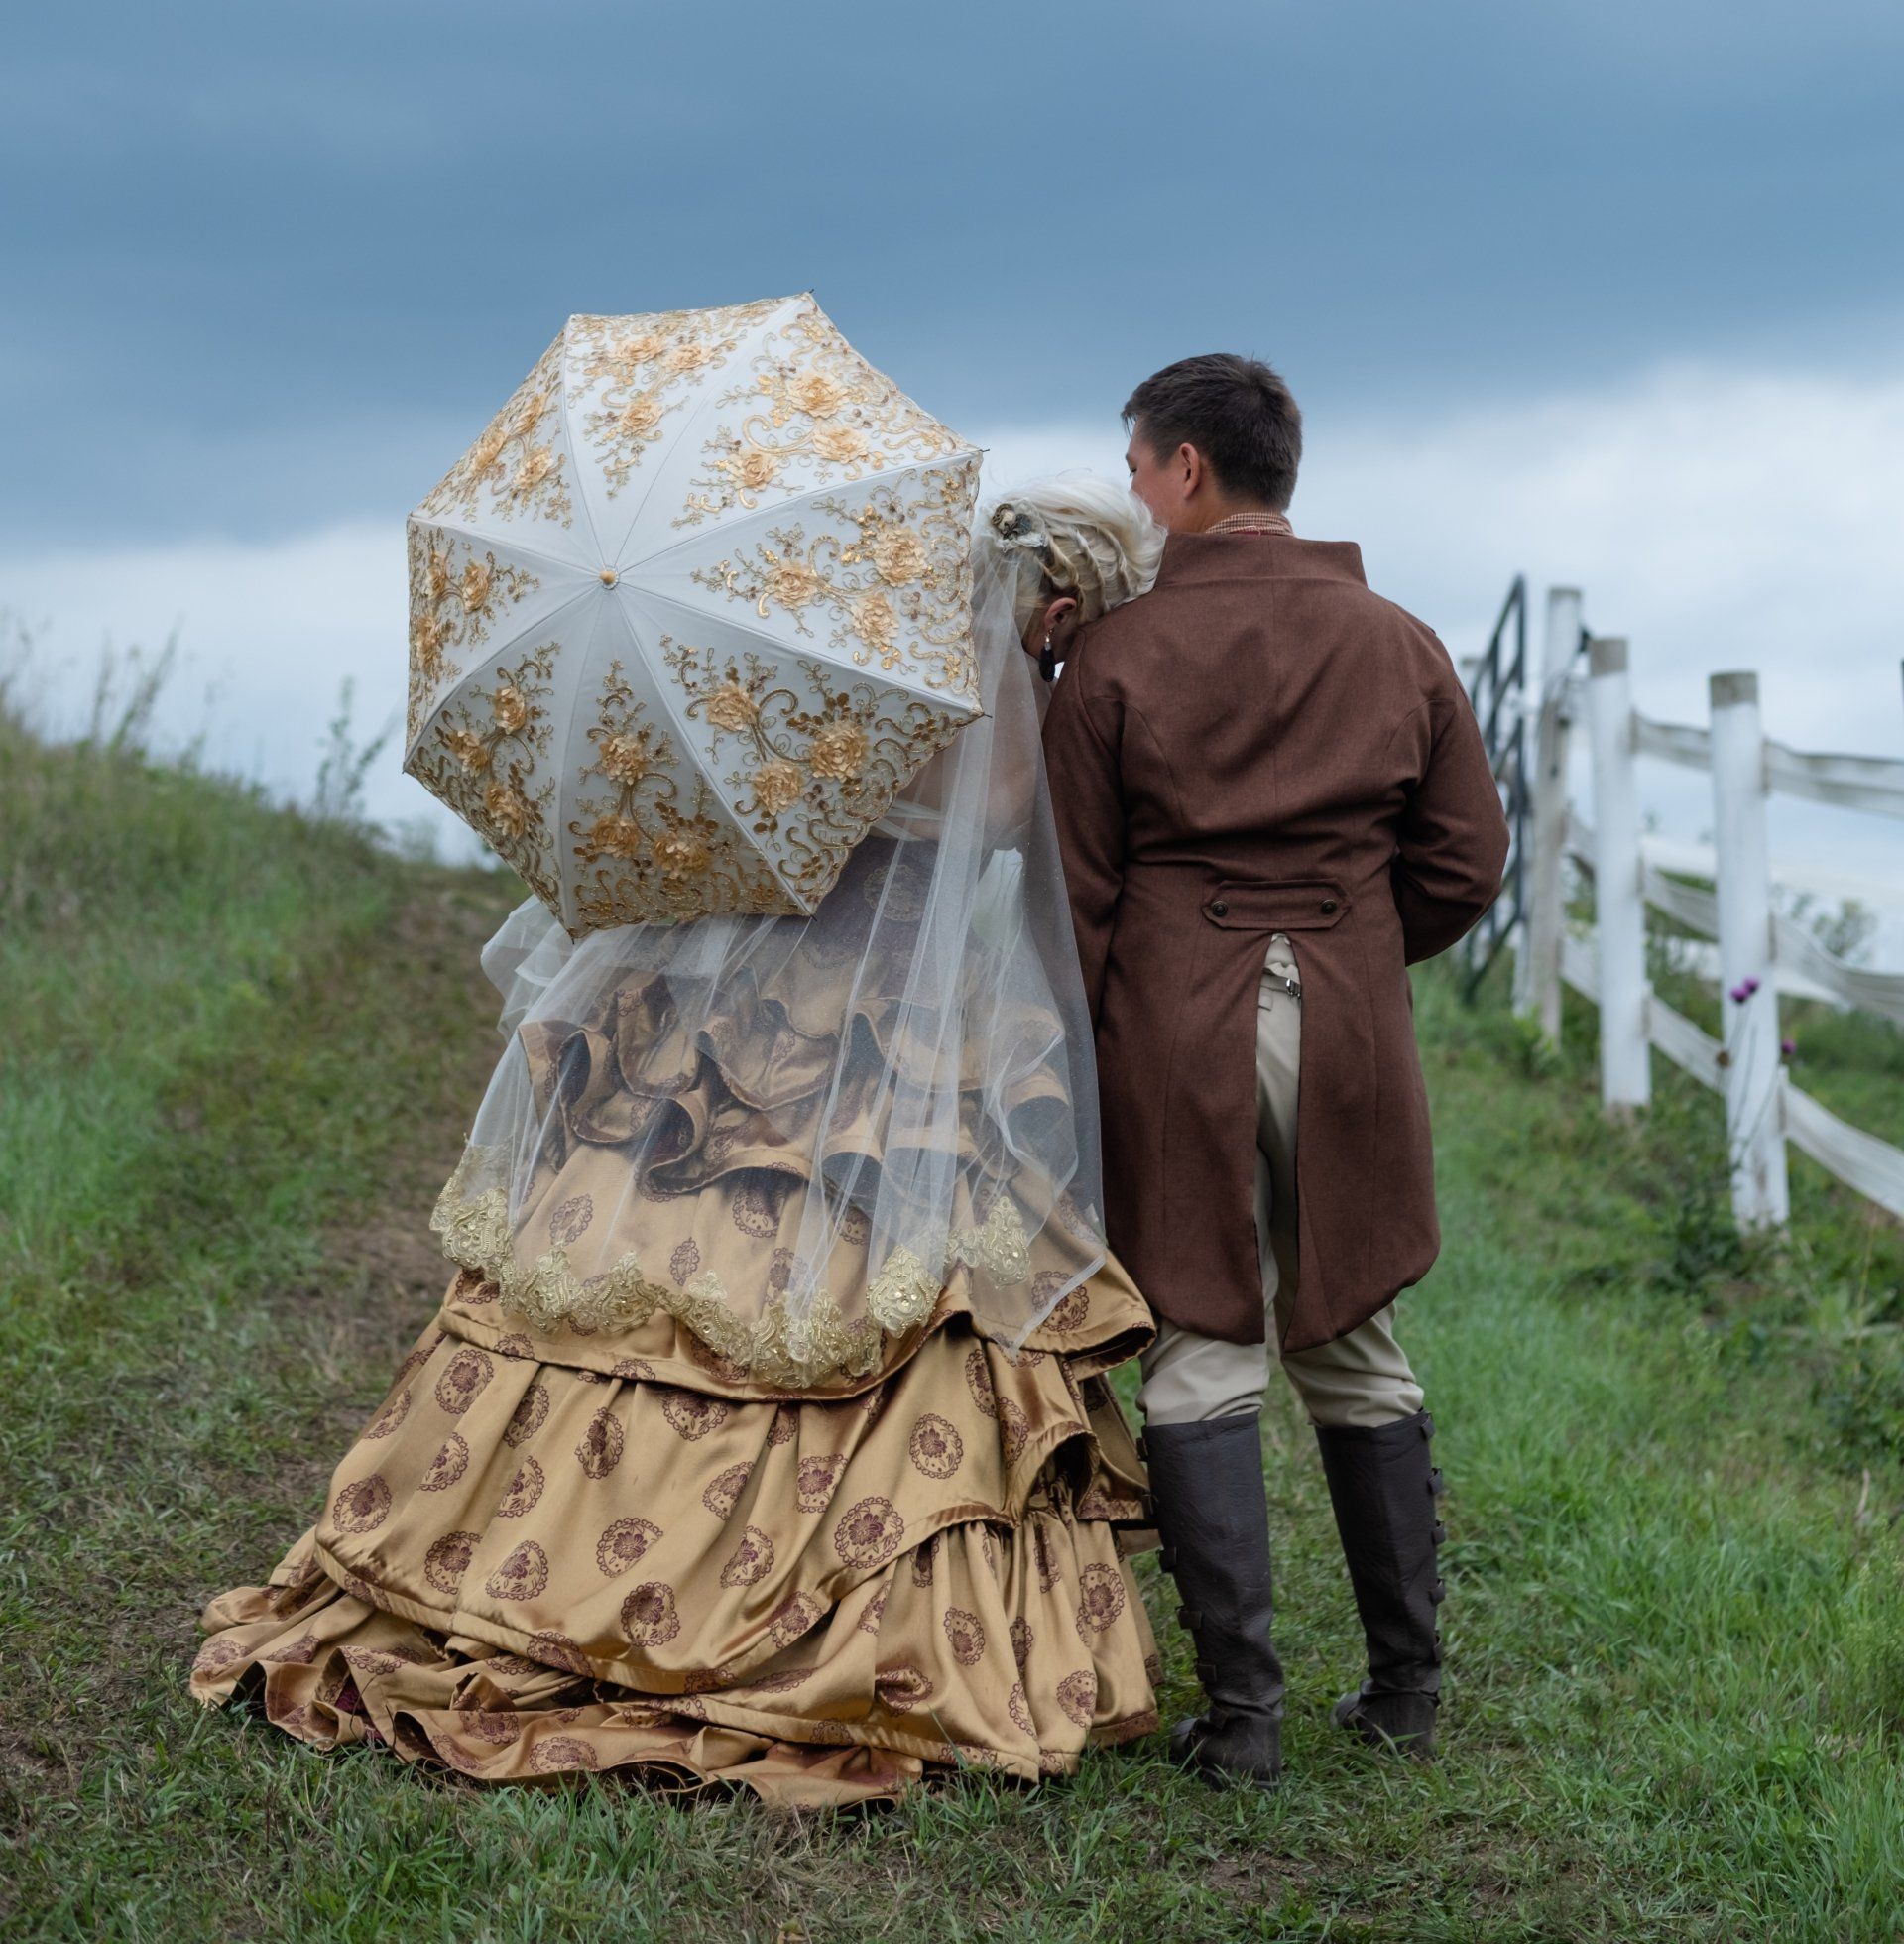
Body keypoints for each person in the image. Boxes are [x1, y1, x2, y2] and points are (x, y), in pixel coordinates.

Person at [192, 482, 1166, 1805]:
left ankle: (547, 1553)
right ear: (1053, 610)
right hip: (871, 997)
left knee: (640, 1241)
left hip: (741, 978)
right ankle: (772, 1612)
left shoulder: (847, 656)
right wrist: (1028, 714)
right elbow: (996, 819)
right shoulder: (990, 687)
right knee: (869, 1275)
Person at [1040, 355, 1508, 1783]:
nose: (1132, 491)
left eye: (1138, 466)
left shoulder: (1116, 659)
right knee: (1352, 1337)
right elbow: (1466, 863)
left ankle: (1244, 1723)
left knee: (1199, 1343)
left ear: (1187, 470)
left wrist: (1095, 1035)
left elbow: (1075, 895)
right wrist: (1348, 949)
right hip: (1351, 1026)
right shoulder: (1400, 641)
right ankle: (1406, 1694)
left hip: (1176, 1030)